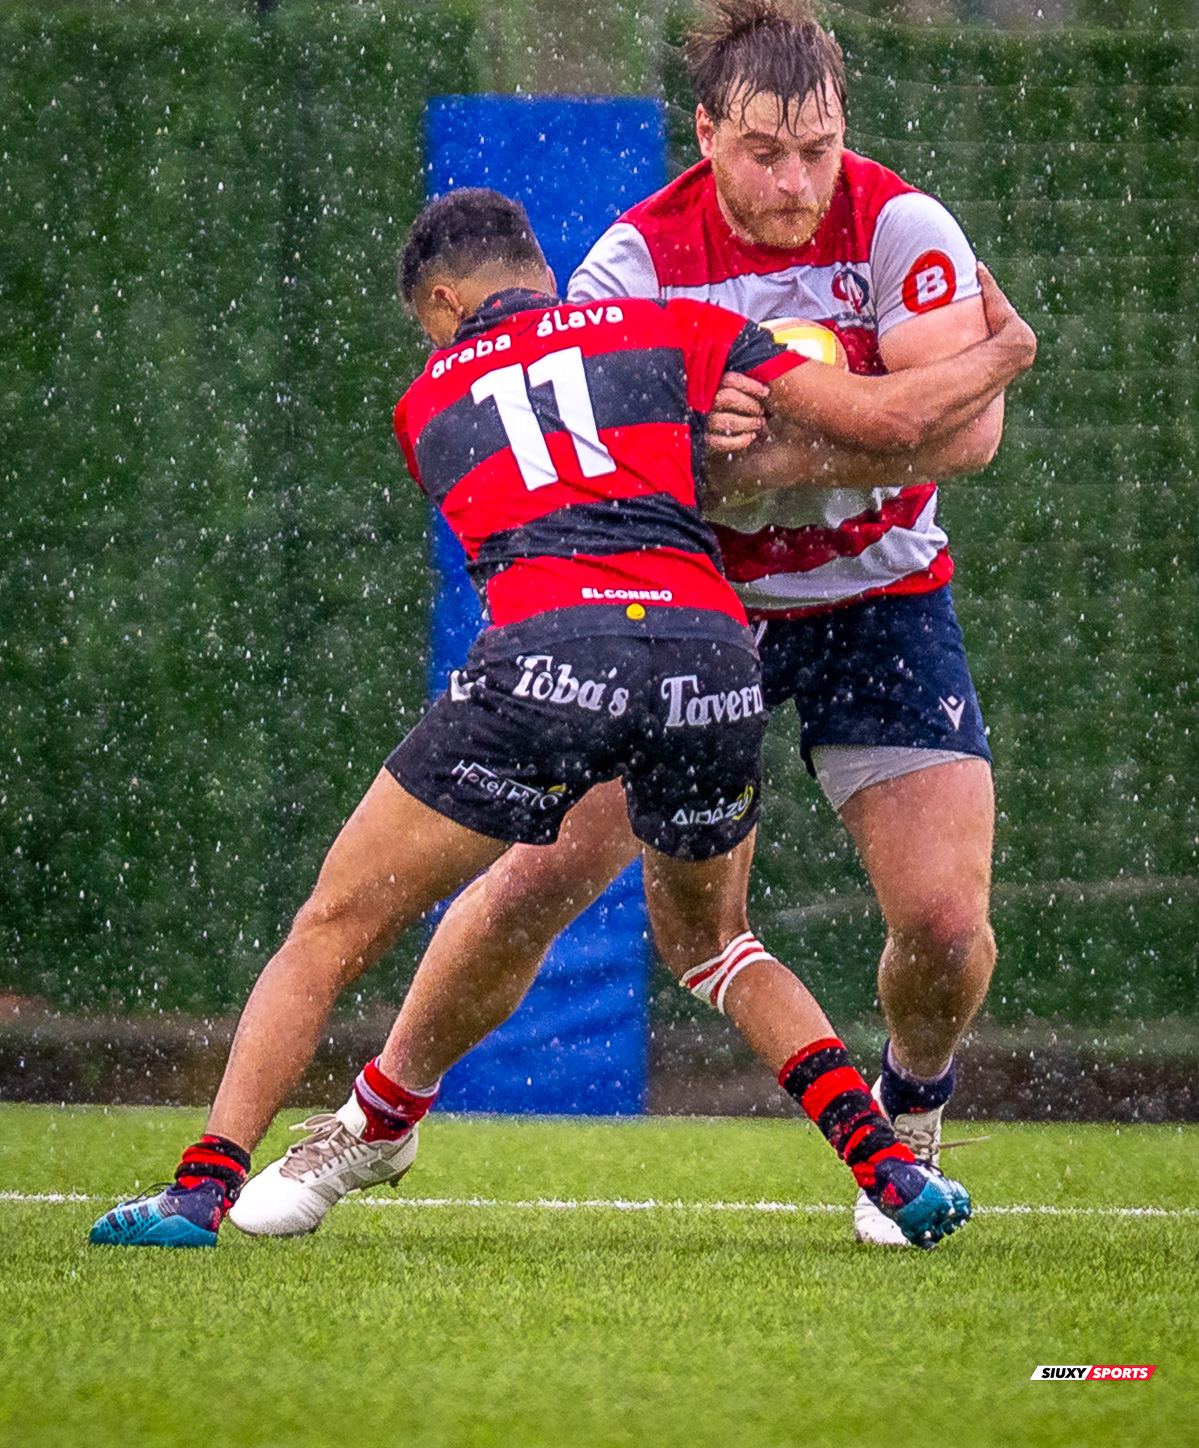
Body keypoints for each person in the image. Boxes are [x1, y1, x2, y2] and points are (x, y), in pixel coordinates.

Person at [89, 186, 1033, 1251]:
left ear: (442, 302)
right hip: (709, 651)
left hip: (553, 663)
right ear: (542, 269)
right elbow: (888, 426)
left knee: (334, 926)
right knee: (714, 947)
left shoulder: (425, 403)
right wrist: (1002, 350)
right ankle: (887, 1168)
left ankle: (198, 1191)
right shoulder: (678, 324)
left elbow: (538, 499)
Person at [290, 0, 1017, 1252]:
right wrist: (815, 427)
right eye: (763, 153)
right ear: (704, 134)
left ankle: (907, 1108)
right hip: (698, 604)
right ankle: (377, 1116)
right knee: (532, 883)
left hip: (879, 598)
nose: (796, 184)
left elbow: (970, 434)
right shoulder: (631, 259)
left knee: (947, 928)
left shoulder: (900, 223)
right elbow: (636, 467)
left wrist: (773, 433)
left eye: (817, 148)